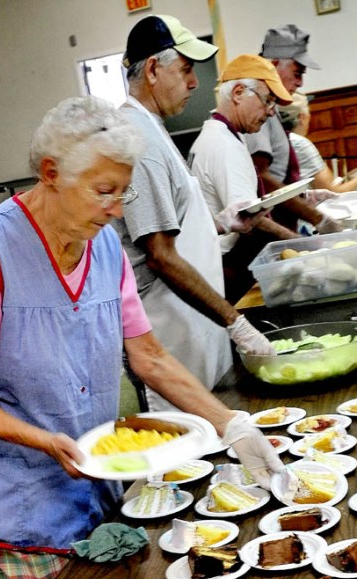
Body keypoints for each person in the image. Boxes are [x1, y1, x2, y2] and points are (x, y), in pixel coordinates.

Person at [0, 96, 285, 579]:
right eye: (104, 191)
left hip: (89, 475)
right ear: (51, 173)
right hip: (16, 493)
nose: (117, 209)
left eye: (124, 191)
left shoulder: (105, 246)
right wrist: (44, 441)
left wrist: (231, 424)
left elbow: (149, 356)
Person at [116, 14, 278, 411]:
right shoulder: (138, 139)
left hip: (192, 326)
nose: (194, 83)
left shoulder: (154, 130)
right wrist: (235, 322)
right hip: (167, 328)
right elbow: (159, 255)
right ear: (153, 69)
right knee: (187, 451)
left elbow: (172, 223)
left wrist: (221, 222)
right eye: (186, 70)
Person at [189, 53, 297, 302]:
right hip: (227, 269)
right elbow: (250, 217)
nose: (271, 113)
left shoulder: (219, 136)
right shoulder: (224, 145)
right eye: (267, 101)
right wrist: (301, 244)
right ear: (238, 93)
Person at [244, 24, 342, 235]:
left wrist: (305, 196)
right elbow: (262, 180)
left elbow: (278, 174)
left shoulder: (272, 104)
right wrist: (318, 219)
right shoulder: (255, 106)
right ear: (273, 64)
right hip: (269, 228)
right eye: (297, 73)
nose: (300, 82)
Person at [279, 92, 357, 194]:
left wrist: (347, 179)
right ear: (302, 117)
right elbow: (332, 192)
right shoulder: (299, 144)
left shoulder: (278, 140)